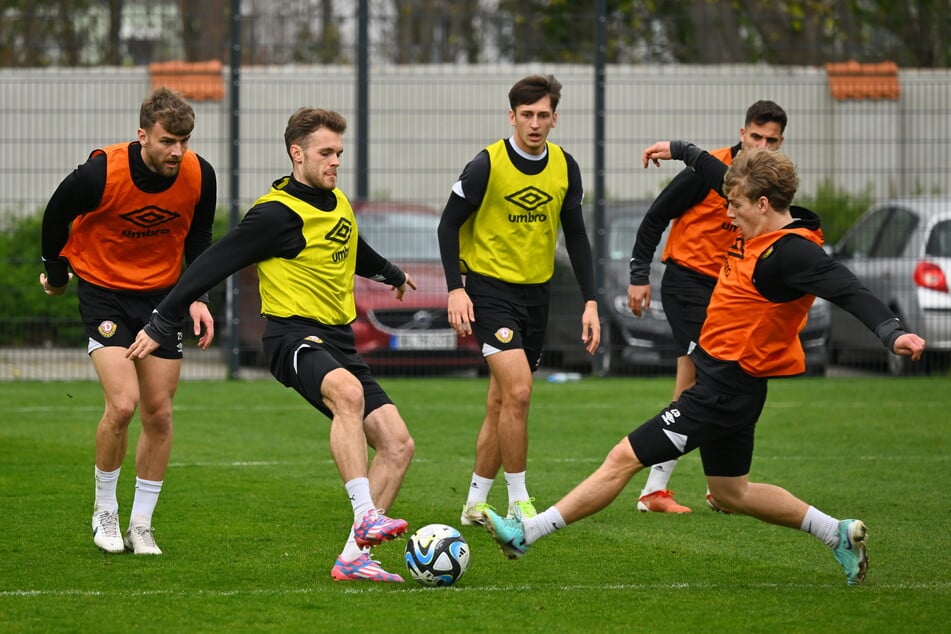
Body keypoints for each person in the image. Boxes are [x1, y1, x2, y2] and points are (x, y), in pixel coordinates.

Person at [480, 145, 926, 586]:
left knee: (621, 458)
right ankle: (837, 534)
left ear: (763, 204)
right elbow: (719, 174)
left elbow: (848, 289)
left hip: (722, 391)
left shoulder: (791, 254)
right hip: (733, 387)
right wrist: (681, 151)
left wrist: (892, 333)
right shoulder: (757, 217)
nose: (727, 214)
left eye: (734, 206)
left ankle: (526, 533)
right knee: (733, 492)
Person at [126, 107, 415, 583]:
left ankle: (354, 558)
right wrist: (163, 318)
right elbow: (212, 263)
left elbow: (351, 246)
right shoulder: (275, 214)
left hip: (338, 339)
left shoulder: (334, 200)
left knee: (398, 444)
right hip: (293, 336)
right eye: (326, 152)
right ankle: (366, 513)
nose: (335, 161)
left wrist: (392, 274)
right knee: (347, 394)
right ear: (296, 154)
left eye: (339, 153)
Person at [39, 87, 218, 556]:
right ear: (143, 136)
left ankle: (142, 524)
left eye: (185, 140)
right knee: (122, 405)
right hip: (103, 293)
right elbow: (57, 213)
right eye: (167, 141)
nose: (177, 151)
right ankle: (104, 510)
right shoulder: (102, 172)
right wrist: (57, 275)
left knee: (158, 413)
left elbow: (199, 237)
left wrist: (195, 297)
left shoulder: (200, 175)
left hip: (163, 297)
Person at [437, 74, 601, 527]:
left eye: (542, 115)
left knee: (501, 402)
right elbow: (447, 225)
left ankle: (474, 503)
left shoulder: (565, 166)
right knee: (522, 391)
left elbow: (578, 237)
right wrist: (456, 288)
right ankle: (519, 501)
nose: (534, 123)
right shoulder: (486, 165)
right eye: (525, 115)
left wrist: (591, 302)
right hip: (489, 290)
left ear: (554, 118)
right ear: (511, 116)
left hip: (537, 295)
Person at [628, 100, 788, 514]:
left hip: (726, 293)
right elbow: (656, 215)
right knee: (703, 376)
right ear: (742, 134)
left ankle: (718, 486)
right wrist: (638, 275)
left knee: (713, 380)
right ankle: (656, 490)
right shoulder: (710, 170)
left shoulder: (769, 185)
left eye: (772, 140)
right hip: (687, 283)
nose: (762, 145)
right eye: (756, 136)